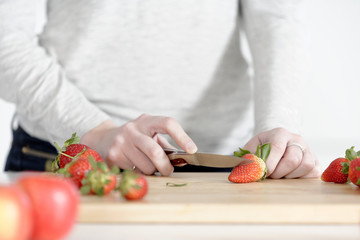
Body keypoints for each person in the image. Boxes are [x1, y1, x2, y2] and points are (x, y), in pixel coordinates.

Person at [0, 0, 321, 178]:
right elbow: (5, 38)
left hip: (224, 163)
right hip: (67, 155)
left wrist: (278, 122)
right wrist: (93, 131)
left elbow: (278, 19)